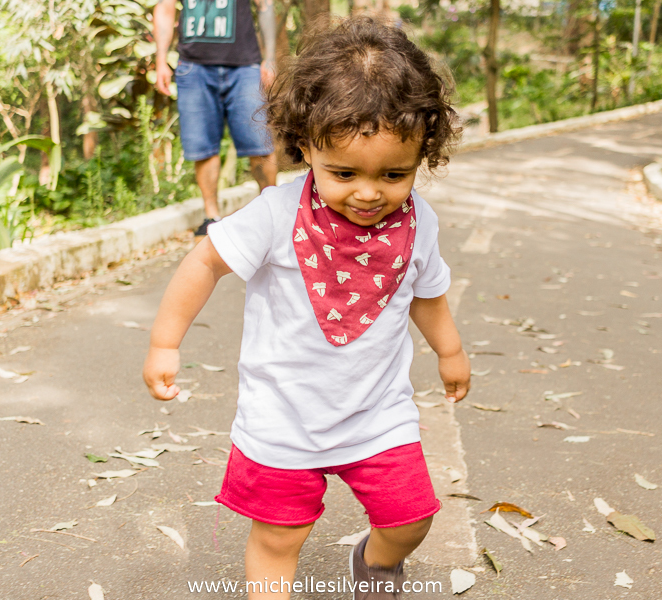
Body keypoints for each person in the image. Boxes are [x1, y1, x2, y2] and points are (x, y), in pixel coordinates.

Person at [143, 17, 470, 599]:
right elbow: (205, 262)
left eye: (394, 175)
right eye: (344, 173)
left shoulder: (419, 223)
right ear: (306, 145)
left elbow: (428, 293)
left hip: (378, 416)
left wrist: (451, 351)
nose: (369, 193)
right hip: (283, 418)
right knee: (278, 540)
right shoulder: (276, 212)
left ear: (424, 152)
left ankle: (374, 564)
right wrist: (165, 342)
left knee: (410, 520)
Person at [153, 0, 279, 236]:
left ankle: (272, 211)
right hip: (194, 66)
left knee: (259, 143)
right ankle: (211, 217)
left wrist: (269, 58)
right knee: (203, 147)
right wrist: (161, 60)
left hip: (244, 66)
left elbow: (265, 5)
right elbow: (165, 7)